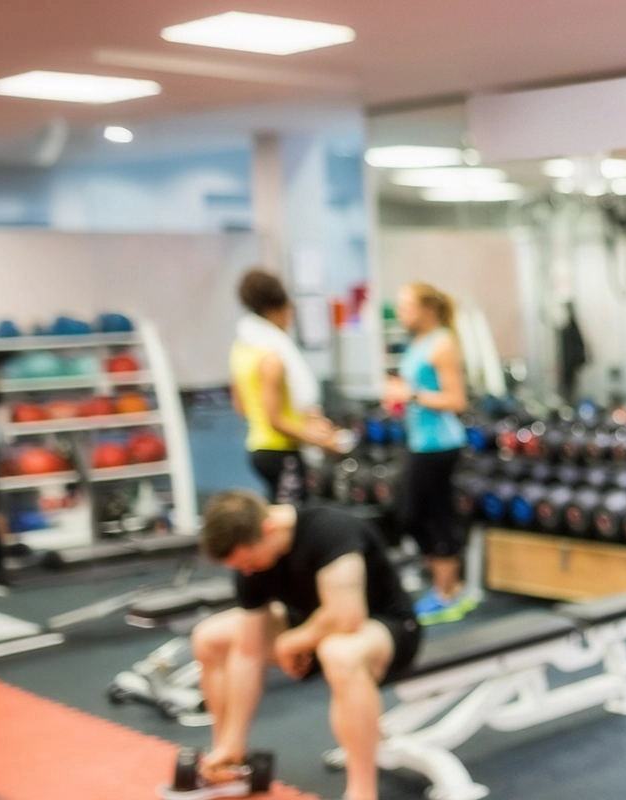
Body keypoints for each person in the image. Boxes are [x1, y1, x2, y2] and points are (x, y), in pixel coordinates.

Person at [191, 490, 420, 800]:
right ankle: (230, 756)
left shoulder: (331, 530)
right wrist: (232, 741)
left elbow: (347, 616)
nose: (246, 571)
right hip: (314, 627)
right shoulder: (251, 562)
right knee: (210, 637)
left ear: (269, 528)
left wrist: (292, 642)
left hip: (387, 628)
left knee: (339, 653)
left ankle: (362, 792)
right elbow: (248, 652)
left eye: (249, 561)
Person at [379, 282, 474, 624]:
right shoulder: (417, 342)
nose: (401, 313)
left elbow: (456, 400)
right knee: (412, 516)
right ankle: (449, 587)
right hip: (419, 441)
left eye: (407, 307)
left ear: (428, 309)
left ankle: (448, 593)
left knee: (426, 517)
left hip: (440, 444)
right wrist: (398, 399)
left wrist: (412, 395)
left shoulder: (443, 343)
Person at [231, 269, 343, 505]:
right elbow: (275, 420)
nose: (290, 319)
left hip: (258, 448)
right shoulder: (272, 359)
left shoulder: (240, 350)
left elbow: (241, 408)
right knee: (291, 523)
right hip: (279, 452)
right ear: (275, 311)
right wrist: (319, 440)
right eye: (288, 311)